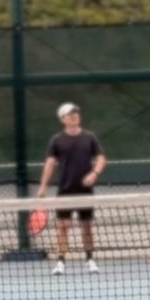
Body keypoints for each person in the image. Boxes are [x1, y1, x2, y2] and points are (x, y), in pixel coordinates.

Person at [36, 102, 106, 276]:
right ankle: (60, 262)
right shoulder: (57, 140)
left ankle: (90, 260)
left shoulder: (90, 137)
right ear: (63, 119)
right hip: (65, 190)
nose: (74, 115)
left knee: (87, 226)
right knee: (63, 226)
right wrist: (43, 187)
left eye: (76, 113)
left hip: (85, 191)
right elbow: (50, 164)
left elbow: (101, 158)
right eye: (70, 114)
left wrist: (94, 173)